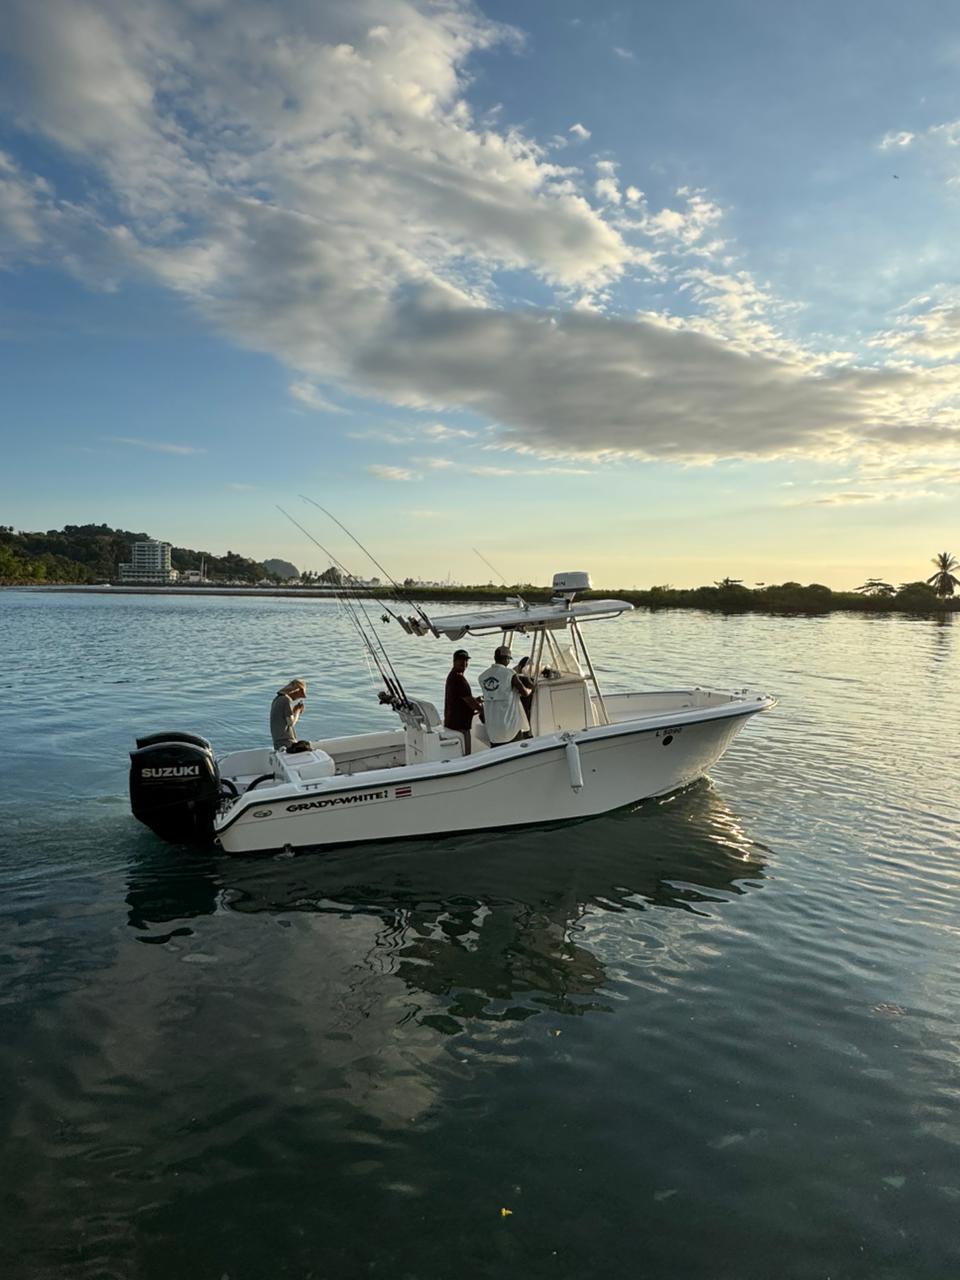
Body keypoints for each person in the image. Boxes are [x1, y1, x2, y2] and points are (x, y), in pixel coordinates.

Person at [478, 645, 532, 746]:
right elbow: (524, 693)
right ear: (506, 658)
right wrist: (531, 689)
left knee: (498, 752)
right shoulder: (509, 674)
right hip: (510, 729)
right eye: (509, 659)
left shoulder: (482, 677)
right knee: (516, 750)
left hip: (493, 731)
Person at [443, 649, 482, 754]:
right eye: (460, 660)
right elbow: (469, 701)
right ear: (454, 661)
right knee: (466, 753)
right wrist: (482, 710)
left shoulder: (452, 676)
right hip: (460, 725)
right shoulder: (459, 679)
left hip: (451, 722)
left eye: (465, 660)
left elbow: (462, 698)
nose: (464, 663)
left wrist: (477, 700)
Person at [270, 678, 312, 753]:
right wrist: (298, 711)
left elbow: (283, 719)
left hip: (278, 743)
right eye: (299, 696)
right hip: (286, 742)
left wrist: (294, 711)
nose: (297, 699)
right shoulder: (286, 700)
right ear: (296, 691)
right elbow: (291, 723)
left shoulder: (277, 699)